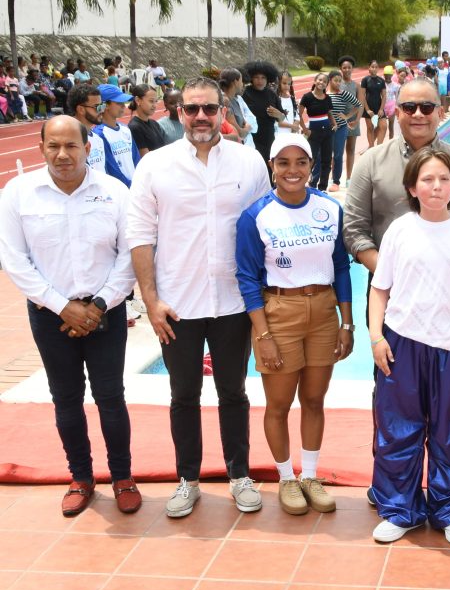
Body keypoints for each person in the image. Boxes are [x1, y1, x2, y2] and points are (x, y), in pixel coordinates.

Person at [127, 76, 272, 518]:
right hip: (178, 306)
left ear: (223, 111)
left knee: (233, 393)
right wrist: (151, 302)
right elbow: (139, 236)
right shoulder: (155, 167)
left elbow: (266, 231)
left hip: (232, 303)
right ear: (178, 113)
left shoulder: (249, 164)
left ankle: (239, 475)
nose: (201, 118)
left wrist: (263, 299)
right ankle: (187, 480)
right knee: (183, 395)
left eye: (209, 108)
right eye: (192, 109)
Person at [0, 116, 138, 517]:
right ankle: (80, 477)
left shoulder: (114, 192)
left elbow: (129, 254)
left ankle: (123, 477)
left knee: (111, 398)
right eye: (53, 146)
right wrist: (63, 307)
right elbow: (13, 259)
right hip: (50, 315)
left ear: (87, 148)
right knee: (66, 399)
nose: (62, 155)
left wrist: (96, 306)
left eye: (71, 146)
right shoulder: (18, 193)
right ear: (41, 148)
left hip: (105, 313)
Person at [368, 147, 450, 544]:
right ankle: (399, 508)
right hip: (402, 344)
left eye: (443, 178)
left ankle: (449, 509)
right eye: (427, 179)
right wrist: (376, 337)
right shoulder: (400, 230)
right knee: (398, 429)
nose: (436, 186)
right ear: (412, 187)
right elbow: (380, 289)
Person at [235, 133, 354, 516]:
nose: (292, 170)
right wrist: (263, 333)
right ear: (272, 167)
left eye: (300, 162)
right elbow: (247, 278)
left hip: (322, 310)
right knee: (280, 402)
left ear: (310, 166)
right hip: (279, 311)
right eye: (283, 162)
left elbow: (340, 266)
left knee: (315, 399)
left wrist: (347, 322)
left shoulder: (329, 207)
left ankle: (311, 476)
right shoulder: (256, 215)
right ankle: (286, 477)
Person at [344, 78, 450, 312]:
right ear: (398, 113)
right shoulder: (371, 162)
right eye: (409, 108)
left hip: (448, 293)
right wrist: (393, 274)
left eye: (427, 107)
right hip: (387, 292)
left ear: (440, 113)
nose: (418, 114)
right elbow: (354, 229)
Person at [94, 84, 139, 187]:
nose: (124, 106)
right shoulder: (99, 134)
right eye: (119, 103)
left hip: (135, 186)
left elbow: (136, 158)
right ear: (105, 105)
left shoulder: (125, 129)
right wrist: (128, 185)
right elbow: (111, 168)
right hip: (121, 189)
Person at [242, 61, 285, 165]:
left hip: (268, 137)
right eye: (256, 77)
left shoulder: (272, 94)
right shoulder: (245, 93)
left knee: (268, 165)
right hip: (251, 137)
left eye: (263, 77)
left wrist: (279, 115)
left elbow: (282, 117)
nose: (260, 81)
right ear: (251, 78)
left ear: (268, 79)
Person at [326, 70, 362, 193]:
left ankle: (336, 181)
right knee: (325, 155)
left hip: (341, 128)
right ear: (329, 80)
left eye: (339, 81)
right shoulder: (324, 94)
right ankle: (324, 179)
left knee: (337, 155)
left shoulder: (343, 94)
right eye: (335, 80)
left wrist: (347, 117)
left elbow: (359, 105)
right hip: (327, 128)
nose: (338, 83)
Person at [298, 72, 334, 191]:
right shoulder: (307, 97)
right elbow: (298, 114)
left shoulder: (327, 98)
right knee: (310, 159)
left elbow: (329, 113)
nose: (321, 83)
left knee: (326, 160)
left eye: (324, 81)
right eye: (319, 80)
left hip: (327, 132)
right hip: (313, 132)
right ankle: (306, 185)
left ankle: (322, 188)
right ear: (315, 81)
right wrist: (305, 130)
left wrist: (334, 124)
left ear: (326, 85)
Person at [68, 84, 106, 172]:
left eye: (102, 105)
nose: (102, 110)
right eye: (97, 107)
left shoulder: (98, 139)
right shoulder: (68, 141)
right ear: (81, 109)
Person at [337, 57, 362, 183]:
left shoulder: (357, 86)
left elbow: (360, 105)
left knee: (351, 149)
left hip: (353, 121)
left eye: (349, 67)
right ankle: (336, 177)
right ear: (340, 69)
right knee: (337, 150)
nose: (347, 70)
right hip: (339, 121)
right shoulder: (336, 84)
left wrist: (357, 120)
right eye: (344, 67)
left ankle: (348, 178)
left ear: (352, 69)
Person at [127, 83, 168, 156]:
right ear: (138, 100)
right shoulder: (134, 128)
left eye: (156, 101)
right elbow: (145, 157)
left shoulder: (154, 123)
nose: (155, 105)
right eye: (151, 101)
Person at [359, 60, 387, 147]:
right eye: (372, 67)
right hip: (369, 108)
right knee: (370, 128)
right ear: (369, 68)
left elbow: (384, 95)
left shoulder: (381, 81)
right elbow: (362, 95)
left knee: (383, 126)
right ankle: (371, 147)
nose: (374, 69)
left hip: (379, 108)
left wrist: (381, 109)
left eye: (376, 67)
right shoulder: (365, 80)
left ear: (378, 69)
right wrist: (367, 110)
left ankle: (379, 147)